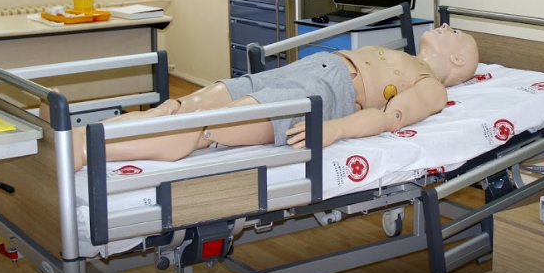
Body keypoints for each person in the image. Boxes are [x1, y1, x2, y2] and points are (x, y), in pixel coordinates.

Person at [70, 23, 479, 171]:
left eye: (455, 32)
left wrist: (335, 129)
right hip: (308, 68)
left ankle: (88, 151)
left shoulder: (431, 86)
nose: (445, 26)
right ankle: (85, 134)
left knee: (205, 128)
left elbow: (390, 119)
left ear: (458, 58)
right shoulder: (403, 54)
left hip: (326, 92)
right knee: (183, 105)